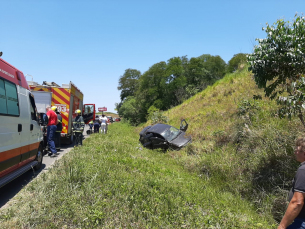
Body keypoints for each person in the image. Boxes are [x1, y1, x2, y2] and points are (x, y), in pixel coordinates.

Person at [278, 137, 305, 229]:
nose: (295, 152)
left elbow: (297, 202)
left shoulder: (303, 170)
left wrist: (282, 226)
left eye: (297, 150)